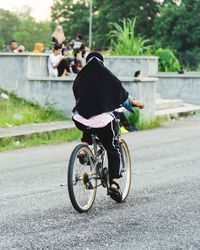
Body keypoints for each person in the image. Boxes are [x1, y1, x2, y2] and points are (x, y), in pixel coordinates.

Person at [72, 52, 144, 203]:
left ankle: (84, 147)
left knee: (88, 120)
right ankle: (115, 184)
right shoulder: (107, 76)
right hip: (102, 120)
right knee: (112, 148)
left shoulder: (80, 77)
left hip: (80, 118)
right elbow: (122, 95)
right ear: (102, 62)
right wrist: (135, 103)